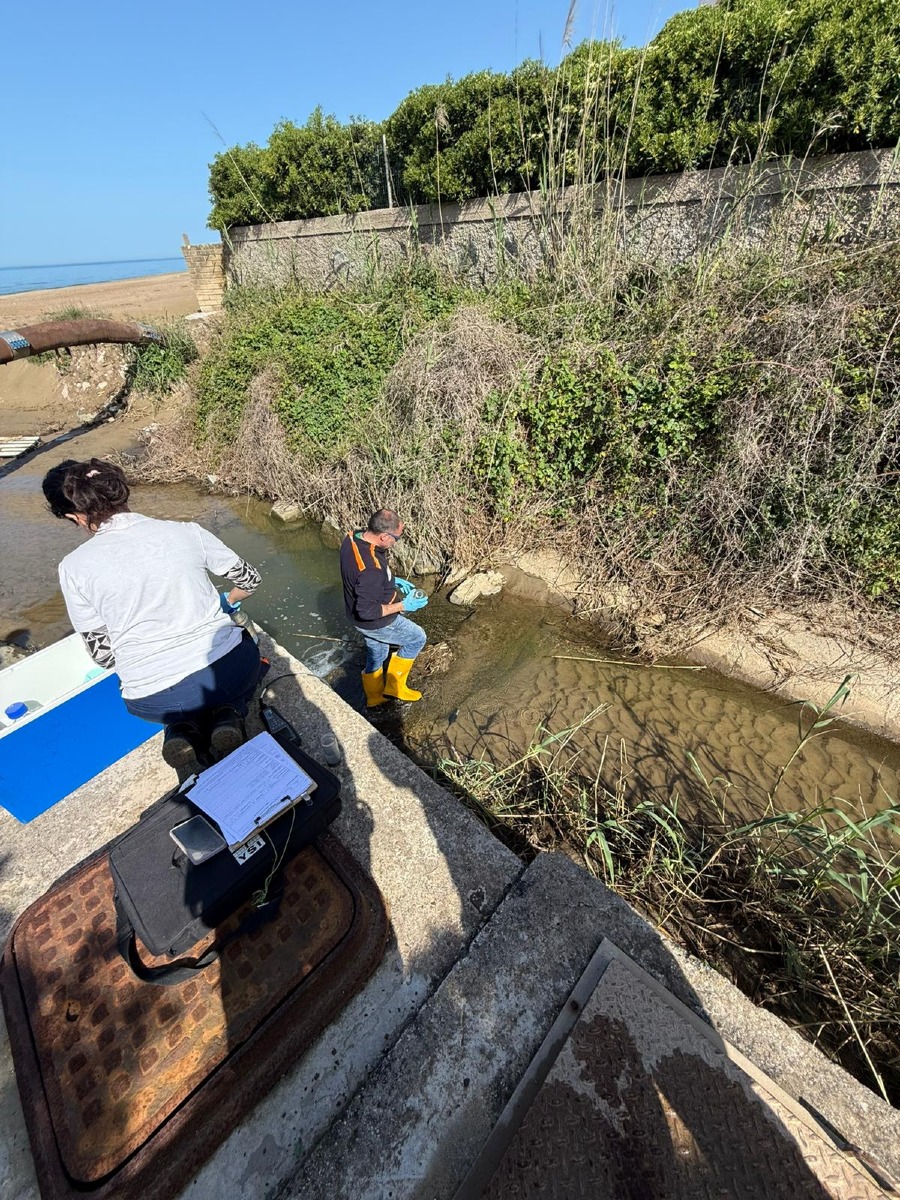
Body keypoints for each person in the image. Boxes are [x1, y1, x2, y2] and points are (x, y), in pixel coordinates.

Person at [42, 457, 263, 772]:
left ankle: (180, 729)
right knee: (239, 661)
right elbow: (250, 580)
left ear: (75, 516)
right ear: (123, 493)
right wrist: (224, 600)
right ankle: (230, 712)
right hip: (231, 671)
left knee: (174, 700)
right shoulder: (187, 531)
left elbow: (104, 657)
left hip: (151, 698)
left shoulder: (73, 568)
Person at [340, 509, 428, 708]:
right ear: (384, 536)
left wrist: (389, 579)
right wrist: (404, 605)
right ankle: (395, 688)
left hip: (356, 617)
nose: (396, 543)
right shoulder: (371, 569)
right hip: (376, 620)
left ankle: (374, 697)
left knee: (377, 651)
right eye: (396, 538)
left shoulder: (353, 537)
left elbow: (359, 576)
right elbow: (367, 611)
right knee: (417, 637)